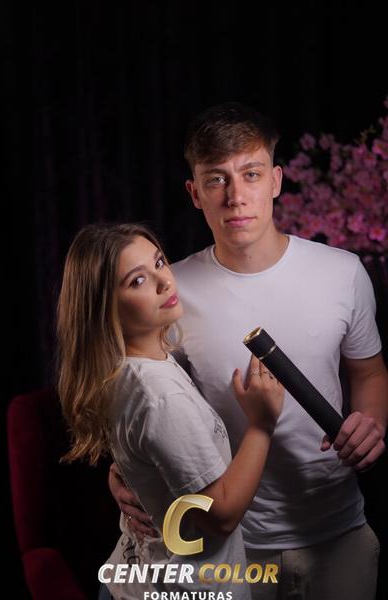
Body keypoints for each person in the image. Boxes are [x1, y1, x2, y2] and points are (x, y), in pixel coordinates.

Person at [109, 102, 388, 600]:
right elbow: (145, 398)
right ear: (195, 193)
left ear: (276, 181)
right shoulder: (169, 291)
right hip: (232, 545)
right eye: (216, 180)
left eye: (251, 174)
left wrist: (371, 424)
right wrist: (126, 470)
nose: (236, 196)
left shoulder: (343, 272)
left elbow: (368, 372)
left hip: (337, 529)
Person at [57, 222, 285, 600]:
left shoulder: (130, 368)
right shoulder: (160, 396)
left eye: (159, 262)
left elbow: (145, 455)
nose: (164, 281)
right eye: (137, 281)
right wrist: (261, 425)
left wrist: (126, 474)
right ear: (104, 308)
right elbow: (220, 516)